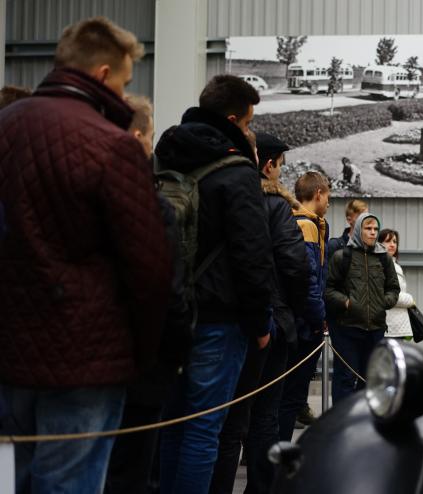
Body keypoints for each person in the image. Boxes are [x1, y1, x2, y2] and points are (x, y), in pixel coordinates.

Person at [0, 17, 171, 493]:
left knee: (11, 480)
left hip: (9, 351)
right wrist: (141, 353)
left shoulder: (6, 126)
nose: (123, 91)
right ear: (101, 75)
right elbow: (149, 267)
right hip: (85, 358)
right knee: (69, 484)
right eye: (123, 80)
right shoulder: (111, 145)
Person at [155, 74, 273, 494]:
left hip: (169, 313)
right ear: (230, 118)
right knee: (205, 428)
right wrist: (260, 324)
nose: (247, 131)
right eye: (246, 123)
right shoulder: (238, 172)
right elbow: (252, 255)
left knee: (173, 425)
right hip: (220, 320)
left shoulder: (165, 156)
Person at [210, 133, 309, 494]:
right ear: (269, 166)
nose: (281, 172)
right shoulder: (276, 206)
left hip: (227, 321)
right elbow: (295, 266)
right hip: (269, 322)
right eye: (280, 165)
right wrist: (295, 311)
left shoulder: (222, 196)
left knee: (227, 423)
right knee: (263, 416)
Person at [105, 94, 192, 494]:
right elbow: (165, 288)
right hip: (139, 359)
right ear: (138, 136)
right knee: (132, 468)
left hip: (88, 359)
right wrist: (175, 351)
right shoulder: (149, 205)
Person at [277, 171, 330, 442]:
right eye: (328, 195)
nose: (329, 202)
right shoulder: (307, 226)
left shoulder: (309, 222)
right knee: (291, 398)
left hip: (298, 321)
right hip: (302, 326)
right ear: (318, 193)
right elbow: (310, 277)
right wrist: (319, 316)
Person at [326, 212, 400, 403]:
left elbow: (393, 288)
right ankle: (342, 424)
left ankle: (365, 422)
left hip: (375, 329)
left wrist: (384, 302)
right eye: (368, 228)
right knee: (346, 379)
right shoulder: (342, 257)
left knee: (370, 380)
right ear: (359, 229)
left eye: (375, 229)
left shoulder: (383, 258)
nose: (373, 232)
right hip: (347, 329)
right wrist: (347, 302)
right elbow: (329, 290)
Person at [379, 229, 416, 340]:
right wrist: (410, 300)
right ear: (379, 244)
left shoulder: (396, 265)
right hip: (389, 327)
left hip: (397, 326)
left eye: (395, 242)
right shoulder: (381, 265)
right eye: (388, 241)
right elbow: (390, 295)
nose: (392, 245)